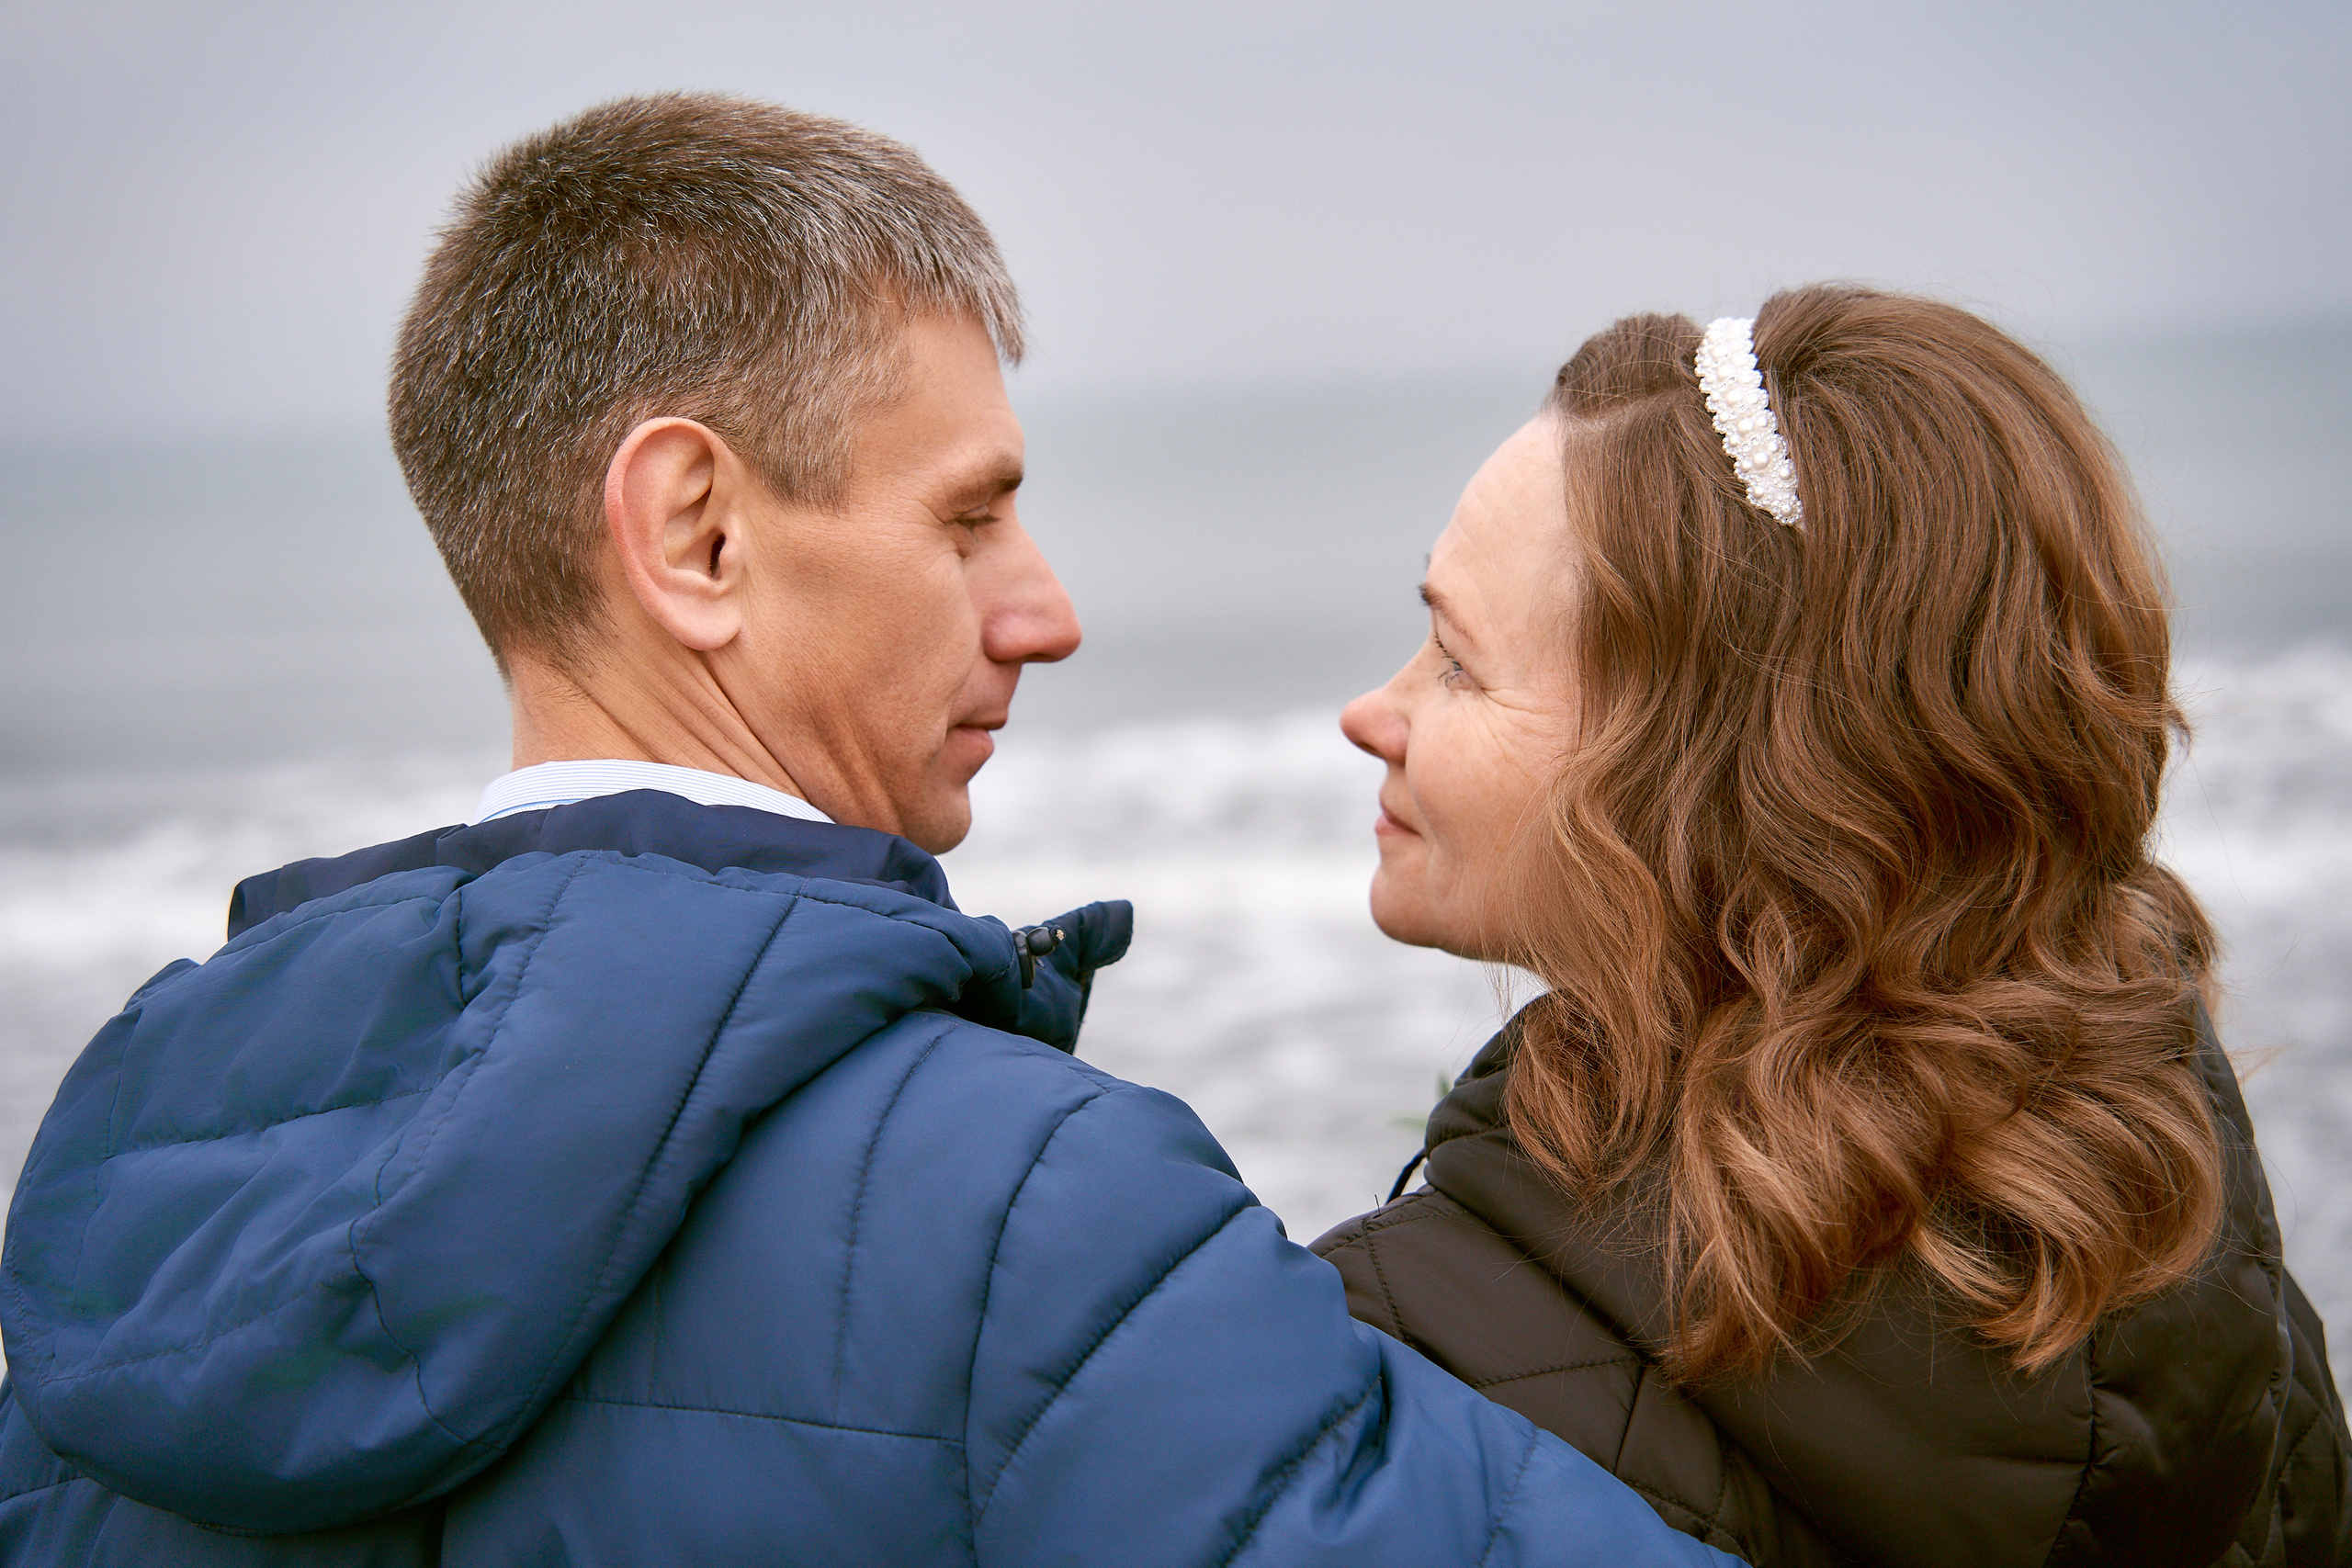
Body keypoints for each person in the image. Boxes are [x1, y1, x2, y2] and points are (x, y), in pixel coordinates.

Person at [0, 94, 1739, 1567]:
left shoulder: (143, 1209)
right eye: (969, 516)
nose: (1044, 611)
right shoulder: (1032, 1217)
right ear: (693, 537)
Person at [1316, 288, 2351, 1565]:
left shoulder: (1410, 1377)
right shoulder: (2203, 1282)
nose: (1375, 708)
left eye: (1458, 660)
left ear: (1696, 779)